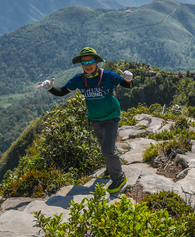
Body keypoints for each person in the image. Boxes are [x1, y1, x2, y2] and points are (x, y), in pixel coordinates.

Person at [37, 47, 134, 194]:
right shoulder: (79, 79)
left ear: (97, 62)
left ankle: (119, 178)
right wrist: (50, 88)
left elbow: (128, 86)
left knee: (108, 149)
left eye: (91, 61)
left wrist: (129, 79)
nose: (88, 65)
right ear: (81, 64)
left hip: (111, 116)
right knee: (104, 146)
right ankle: (110, 168)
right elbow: (62, 91)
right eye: (84, 62)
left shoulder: (108, 75)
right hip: (95, 118)